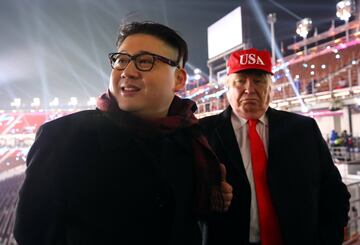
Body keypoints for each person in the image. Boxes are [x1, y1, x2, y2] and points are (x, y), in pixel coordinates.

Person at [14, 21, 232, 245]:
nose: (128, 71)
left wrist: (215, 196)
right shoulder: (62, 138)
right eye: (121, 60)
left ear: (179, 79)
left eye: (145, 61)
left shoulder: (192, 139)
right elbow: (33, 234)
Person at [200, 48, 350, 245]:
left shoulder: (304, 129)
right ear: (227, 86)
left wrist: (328, 238)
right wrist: (206, 193)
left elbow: (334, 192)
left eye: (259, 80)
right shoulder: (203, 132)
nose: (249, 88)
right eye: (240, 80)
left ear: (271, 86)